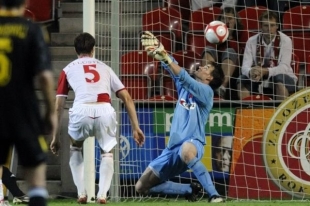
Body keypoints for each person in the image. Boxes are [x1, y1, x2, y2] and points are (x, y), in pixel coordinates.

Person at [50, 32, 145, 204]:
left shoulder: (68, 69)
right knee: (107, 152)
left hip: (81, 111)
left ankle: (81, 193)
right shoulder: (105, 68)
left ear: (75, 50)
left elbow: (58, 105)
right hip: (104, 110)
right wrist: (136, 127)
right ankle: (102, 194)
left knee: (75, 148)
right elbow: (127, 98)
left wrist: (55, 137)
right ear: (93, 49)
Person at [135, 31, 225, 203]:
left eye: (206, 68)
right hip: (171, 150)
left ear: (209, 77)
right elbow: (174, 68)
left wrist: (166, 58)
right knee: (141, 187)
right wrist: (161, 52)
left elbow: (184, 76)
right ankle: (188, 189)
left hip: (193, 143)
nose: (201, 66)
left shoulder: (207, 93)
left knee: (186, 150)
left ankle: (214, 195)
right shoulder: (184, 87)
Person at [0, 0, 56, 206]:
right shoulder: (34, 31)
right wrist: (50, 112)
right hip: (24, 111)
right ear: (25, 2)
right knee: (36, 173)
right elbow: (45, 78)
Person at [237, 10, 297, 100]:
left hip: (285, 77)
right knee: (242, 79)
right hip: (258, 76)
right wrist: (251, 72)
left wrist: (265, 71)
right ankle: (246, 110)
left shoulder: (286, 40)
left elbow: (284, 67)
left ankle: (280, 111)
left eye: (272, 25)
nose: (269, 29)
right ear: (261, 26)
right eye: (266, 25)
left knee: (279, 78)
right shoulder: (251, 41)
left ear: (277, 26)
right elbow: (245, 66)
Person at [202, 7, 243, 100]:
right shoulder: (212, 35)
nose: (227, 21)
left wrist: (228, 35)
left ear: (235, 21)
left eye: (230, 19)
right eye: (224, 18)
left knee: (230, 51)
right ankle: (207, 83)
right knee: (208, 49)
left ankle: (221, 88)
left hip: (234, 66)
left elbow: (239, 50)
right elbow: (210, 49)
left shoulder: (240, 35)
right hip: (215, 64)